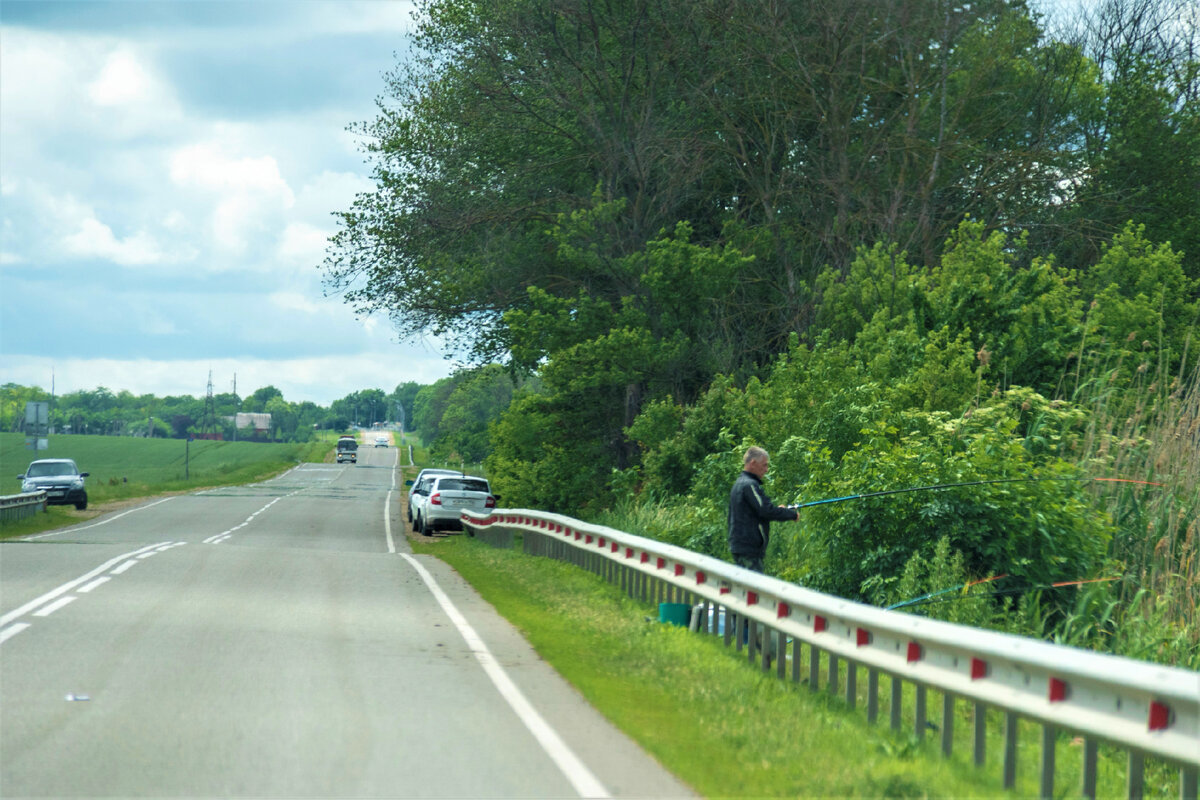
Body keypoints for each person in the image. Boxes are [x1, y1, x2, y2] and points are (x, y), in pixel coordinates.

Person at [727, 446, 799, 573]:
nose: (766, 470)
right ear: (753, 463)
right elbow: (766, 511)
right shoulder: (749, 485)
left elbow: (757, 511)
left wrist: (777, 509)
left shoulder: (740, 483)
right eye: (764, 465)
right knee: (753, 589)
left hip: (740, 546)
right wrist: (791, 514)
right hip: (748, 548)